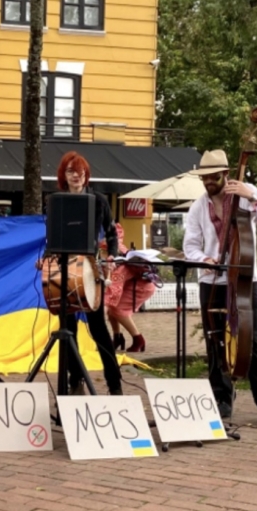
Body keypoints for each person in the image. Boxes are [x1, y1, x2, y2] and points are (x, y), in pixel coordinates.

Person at [183, 149, 257, 425]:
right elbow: (190, 245)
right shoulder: (198, 206)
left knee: (253, 342)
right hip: (212, 281)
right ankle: (222, 399)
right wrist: (205, 259)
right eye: (204, 178)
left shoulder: (246, 195)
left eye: (213, 177)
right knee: (215, 340)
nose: (208, 182)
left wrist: (253, 198)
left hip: (246, 280)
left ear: (226, 174)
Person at [54, 152, 123, 395]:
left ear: (86, 174)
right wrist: (46, 258)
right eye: (71, 171)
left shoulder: (98, 200)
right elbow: (51, 236)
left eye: (80, 171)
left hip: (91, 268)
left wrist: (111, 256)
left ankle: (115, 385)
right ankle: (75, 381)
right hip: (64, 270)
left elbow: (111, 233)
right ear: (63, 175)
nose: (77, 175)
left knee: (98, 329)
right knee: (68, 328)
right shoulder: (57, 201)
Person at [104, 224, 157, 353]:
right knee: (112, 309)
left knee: (118, 310)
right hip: (132, 283)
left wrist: (103, 307)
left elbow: (113, 290)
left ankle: (138, 339)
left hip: (141, 286)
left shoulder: (118, 261)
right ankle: (117, 337)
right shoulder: (115, 251)